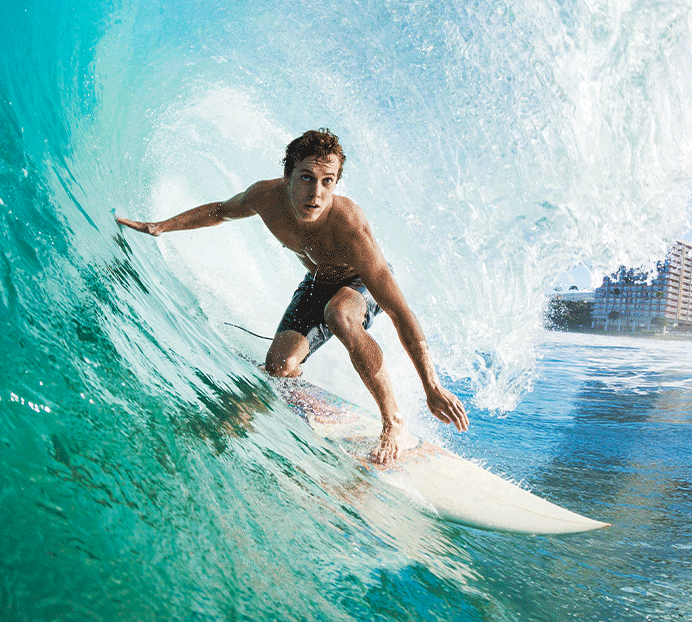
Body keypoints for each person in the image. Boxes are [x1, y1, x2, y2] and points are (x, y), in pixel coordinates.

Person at [115, 128, 468, 464]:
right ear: (288, 175)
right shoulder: (265, 198)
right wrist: (160, 226)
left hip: (358, 286)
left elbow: (399, 309)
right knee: (279, 366)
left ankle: (393, 421)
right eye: (306, 178)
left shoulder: (350, 228)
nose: (316, 193)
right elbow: (220, 211)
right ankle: (299, 387)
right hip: (317, 282)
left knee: (339, 315)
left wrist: (431, 385)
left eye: (327, 182)